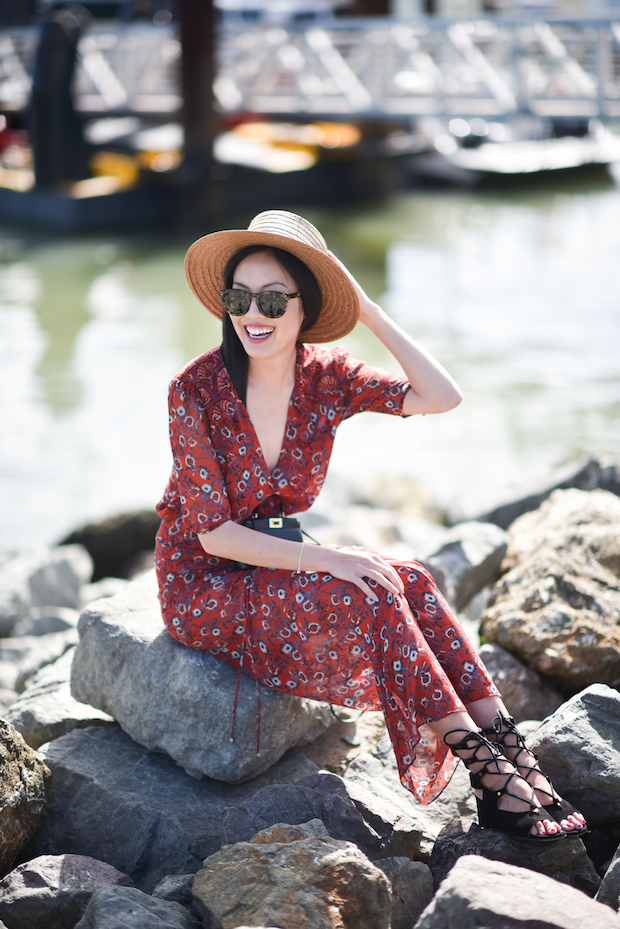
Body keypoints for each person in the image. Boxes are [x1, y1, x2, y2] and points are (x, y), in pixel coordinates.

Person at [155, 210, 586, 842]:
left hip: (274, 557)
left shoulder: (327, 379)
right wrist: (332, 558)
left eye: (274, 299)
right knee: (363, 585)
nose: (255, 314)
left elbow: (442, 396)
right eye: (239, 298)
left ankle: (511, 752)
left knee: (404, 577)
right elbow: (214, 535)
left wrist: (370, 312)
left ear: (306, 309)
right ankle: (486, 772)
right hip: (204, 583)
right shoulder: (196, 388)